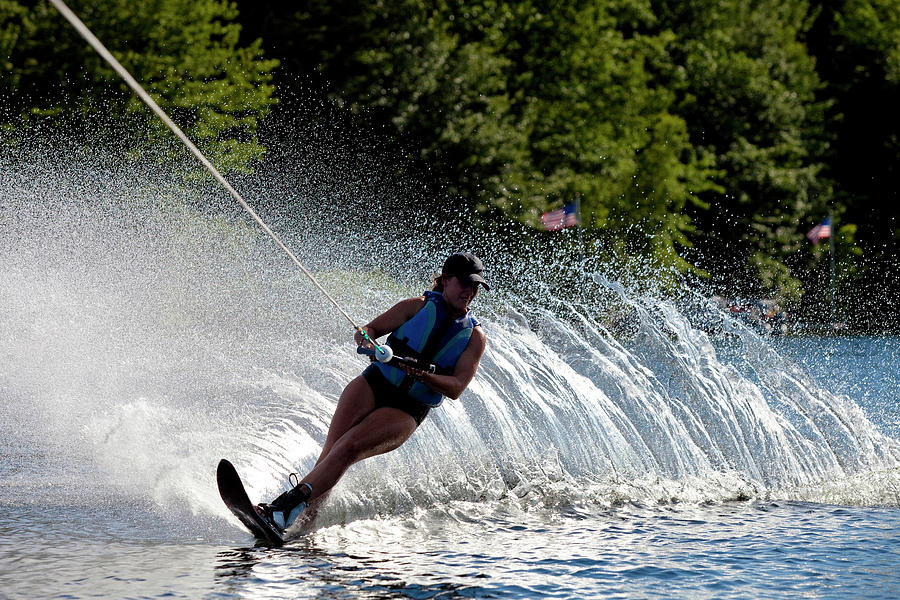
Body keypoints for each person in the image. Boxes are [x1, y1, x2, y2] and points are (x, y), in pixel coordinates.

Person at [255, 252, 489, 533]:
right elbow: (369, 330)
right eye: (464, 283)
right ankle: (303, 527)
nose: (470, 291)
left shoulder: (474, 336)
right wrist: (368, 341)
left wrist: (423, 375)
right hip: (373, 383)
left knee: (347, 448)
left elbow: (457, 387)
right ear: (447, 280)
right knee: (331, 455)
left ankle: (279, 511)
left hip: (407, 408)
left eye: (475, 286)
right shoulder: (415, 307)